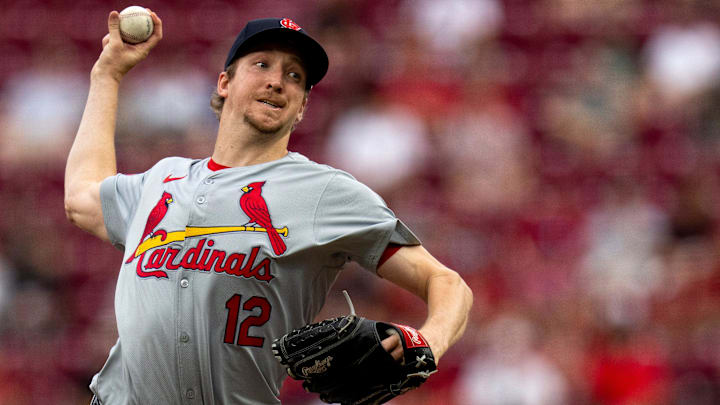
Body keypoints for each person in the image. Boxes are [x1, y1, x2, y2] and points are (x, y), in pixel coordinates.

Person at [64, 9, 473, 405]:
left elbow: (448, 284)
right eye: (261, 65)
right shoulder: (161, 181)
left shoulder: (324, 192)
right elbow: (82, 198)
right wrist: (107, 74)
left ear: (302, 108)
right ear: (225, 82)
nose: (277, 82)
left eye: (295, 76)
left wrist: (429, 343)